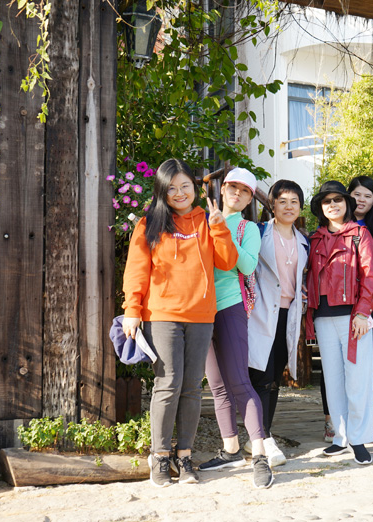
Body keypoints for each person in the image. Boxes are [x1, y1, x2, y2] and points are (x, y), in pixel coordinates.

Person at [122, 158, 238, 488]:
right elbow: (136, 270)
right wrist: (132, 309)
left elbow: (227, 261)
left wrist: (219, 226)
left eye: (185, 185)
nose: (179, 193)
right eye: (171, 187)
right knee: (168, 382)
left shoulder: (207, 221)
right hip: (162, 315)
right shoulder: (149, 223)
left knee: (191, 387)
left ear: (195, 187)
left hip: (201, 315)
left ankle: (184, 456)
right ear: (162, 190)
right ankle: (160, 456)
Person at [197, 168, 273, 489]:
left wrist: (222, 230)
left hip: (230, 305)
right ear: (223, 188)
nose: (237, 194)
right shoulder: (200, 220)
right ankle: (230, 449)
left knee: (240, 382)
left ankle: (260, 455)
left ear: (250, 198)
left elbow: (248, 264)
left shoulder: (247, 228)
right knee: (216, 385)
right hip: (201, 308)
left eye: (245, 191)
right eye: (233, 187)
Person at [306, 180, 373, 465]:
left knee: (358, 380)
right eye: (327, 201)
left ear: (346, 204)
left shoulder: (360, 235)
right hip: (323, 317)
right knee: (333, 380)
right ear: (321, 208)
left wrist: (363, 312)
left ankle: (359, 439)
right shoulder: (314, 239)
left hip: (354, 318)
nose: (332, 205)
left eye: (337, 200)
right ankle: (340, 438)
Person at [247, 180, 309, 468]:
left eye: (294, 201)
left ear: (300, 207)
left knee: (274, 378)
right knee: (261, 375)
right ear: (272, 205)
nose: (288, 206)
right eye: (282, 201)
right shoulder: (259, 233)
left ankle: (261, 434)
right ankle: (263, 438)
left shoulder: (303, 240)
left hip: (288, 316)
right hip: (262, 314)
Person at [349, 175, 373, 241]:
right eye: (357, 194)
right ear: (349, 195)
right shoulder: (336, 224)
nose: (361, 200)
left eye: (367, 196)